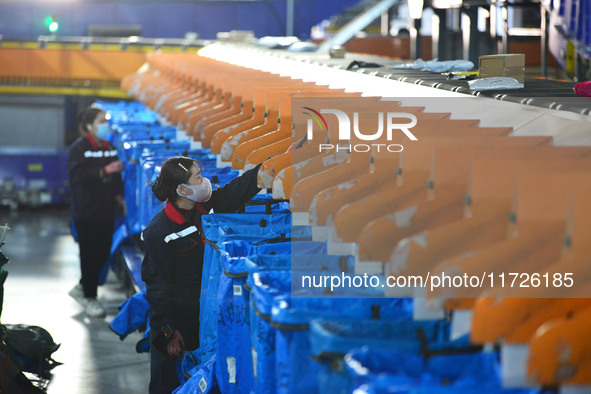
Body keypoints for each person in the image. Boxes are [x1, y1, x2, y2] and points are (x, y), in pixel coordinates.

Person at [141, 156, 262, 393]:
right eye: (198, 177)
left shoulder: (206, 209)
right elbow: (157, 287)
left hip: (202, 316)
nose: (204, 180)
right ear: (183, 189)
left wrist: (271, 165)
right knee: (168, 381)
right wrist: (168, 332)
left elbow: (238, 189)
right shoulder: (159, 232)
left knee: (200, 377)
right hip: (175, 324)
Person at [66, 105, 124, 318]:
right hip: (86, 211)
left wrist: (119, 195)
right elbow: (77, 175)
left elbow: (117, 177)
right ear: (89, 126)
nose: (105, 125)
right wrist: (104, 170)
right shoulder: (78, 148)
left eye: (105, 121)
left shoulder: (109, 147)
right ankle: (90, 297)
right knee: (89, 255)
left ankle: (83, 286)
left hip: (106, 210)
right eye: (101, 121)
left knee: (102, 253)